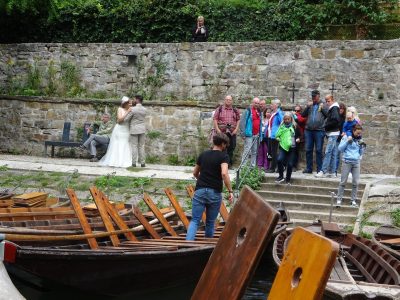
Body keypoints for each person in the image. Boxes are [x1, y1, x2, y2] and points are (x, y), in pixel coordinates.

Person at [186, 132, 234, 241]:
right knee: (210, 222)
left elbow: (195, 173)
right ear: (222, 144)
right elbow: (224, 173)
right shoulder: (224, 156)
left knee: (195, 220)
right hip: (214, 192)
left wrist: (203, 181)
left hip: (200, 191)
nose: (226, 147)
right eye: (226, 144)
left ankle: (187, 244)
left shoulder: (203, 154)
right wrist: (230, 190)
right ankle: (207, 245)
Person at [336, 124, 366, 208]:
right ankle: (339, 199)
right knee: (343, 182)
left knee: (356, 182)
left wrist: (362, 147)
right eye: (357, 133)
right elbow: (340, 149)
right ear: (353, 131)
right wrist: (347, 141)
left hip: (356, 162)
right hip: (347, 161)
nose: (359, 135)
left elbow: (360, 153)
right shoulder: (346, 137)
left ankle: (353, 201)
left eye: (360, 133)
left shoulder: (360, 139)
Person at [99, 96, 133, 168]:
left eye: (131, 103)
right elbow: (119, 120)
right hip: (120, 129)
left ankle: (125, 160)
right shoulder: (120, 109)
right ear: (125, 103)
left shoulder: (131, 110)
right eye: (129, 103)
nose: (130, 104)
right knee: (118, 144)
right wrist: (127, 112)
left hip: (126, 129)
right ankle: (115, 161)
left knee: (125, 143)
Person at [301, 90, 327, 174]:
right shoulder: (310, 105)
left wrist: (322, 108)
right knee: (308, 150)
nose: (314, 99)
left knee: (319, 150)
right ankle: (309, 168)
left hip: (319, 131)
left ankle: (320, 169)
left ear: (319, 96)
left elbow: (327, 115)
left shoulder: (324, 105)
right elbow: (303, 115)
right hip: (309, 130)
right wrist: (307, 107)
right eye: (312, 97)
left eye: (315, 97)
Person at [315, 95, 341, 178]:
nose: (327, 102)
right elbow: (331, 118)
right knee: (333, 153)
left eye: (328, 101)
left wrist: (325, 126)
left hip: (333, 133)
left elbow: (336, 120)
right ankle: (333, 172)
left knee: (328, 152)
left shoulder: (334, 108)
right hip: (333, 133)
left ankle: (323, 171)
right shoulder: (333, 108)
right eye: (326, 101)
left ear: (332, 100)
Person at [213, 95, 240, 168]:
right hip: (222, 133)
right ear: (224, 100)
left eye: (230, 100)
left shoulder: (235, 110)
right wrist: (218, 130)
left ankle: (229, 165)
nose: (228, 101)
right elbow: (215, 119)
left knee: (231, 148)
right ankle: (219, 165)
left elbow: (238, 120)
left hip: (232, 132)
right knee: (221, 148)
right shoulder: (219, 109)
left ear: (232, 101)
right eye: (227, 99)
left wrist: (236, 129)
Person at [275, 113, 301, 185]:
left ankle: (288, 179)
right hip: (283, 147)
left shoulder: (295, 126)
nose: (286, 120)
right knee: (279, 159)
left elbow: (300, 135)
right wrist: (277, 138)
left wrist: (298, 139)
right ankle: (281, 176)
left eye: (288, 119)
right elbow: (277, 135)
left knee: (290, 164)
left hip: (292, 148)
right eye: (285, 119)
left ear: (291, 119)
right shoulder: (281, 127)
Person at [124, 95, 147, 167]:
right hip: (142, 129)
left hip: (134, 129)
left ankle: (134, 163)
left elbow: (126, 120)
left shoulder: (133, 109)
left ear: (137, 100)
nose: (133, 100)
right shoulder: (144, 109)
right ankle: (143, 163)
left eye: (134, 99)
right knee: (141, 146)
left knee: (134, 146)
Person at [239, 97, 262, 167]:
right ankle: (243, 167)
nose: (256, 104)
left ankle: (252, 166)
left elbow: (260, 123)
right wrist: (242, 133)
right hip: (249, 134)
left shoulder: (259, 112)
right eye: (255, 103)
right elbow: (242, 122)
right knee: (247, 150)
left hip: (256, 134)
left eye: (258, 103)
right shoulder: (248, 111)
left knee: (254, 151)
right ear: (252, 102)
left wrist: (260, 134)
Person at [266, 99, 284, 173]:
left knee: (274, 152)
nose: (271, 105)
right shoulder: (274, 113)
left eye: (272, 104)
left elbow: (282, 122)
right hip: (271, 135)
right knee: (271, 152)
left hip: (275, 136)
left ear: (276, 105)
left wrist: (278, 132)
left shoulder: (279, 113)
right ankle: (273, 167)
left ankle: (273, 168)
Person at [292, 104, 307, 171]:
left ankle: (294, 166)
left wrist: (294, 115)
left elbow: (300, 120)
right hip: (291, 135)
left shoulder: (302, 116)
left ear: (301, 111)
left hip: (298, 136)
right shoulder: (292, 116)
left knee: (295, 151)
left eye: (298, 111)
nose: (296, 112)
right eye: (295, 110)